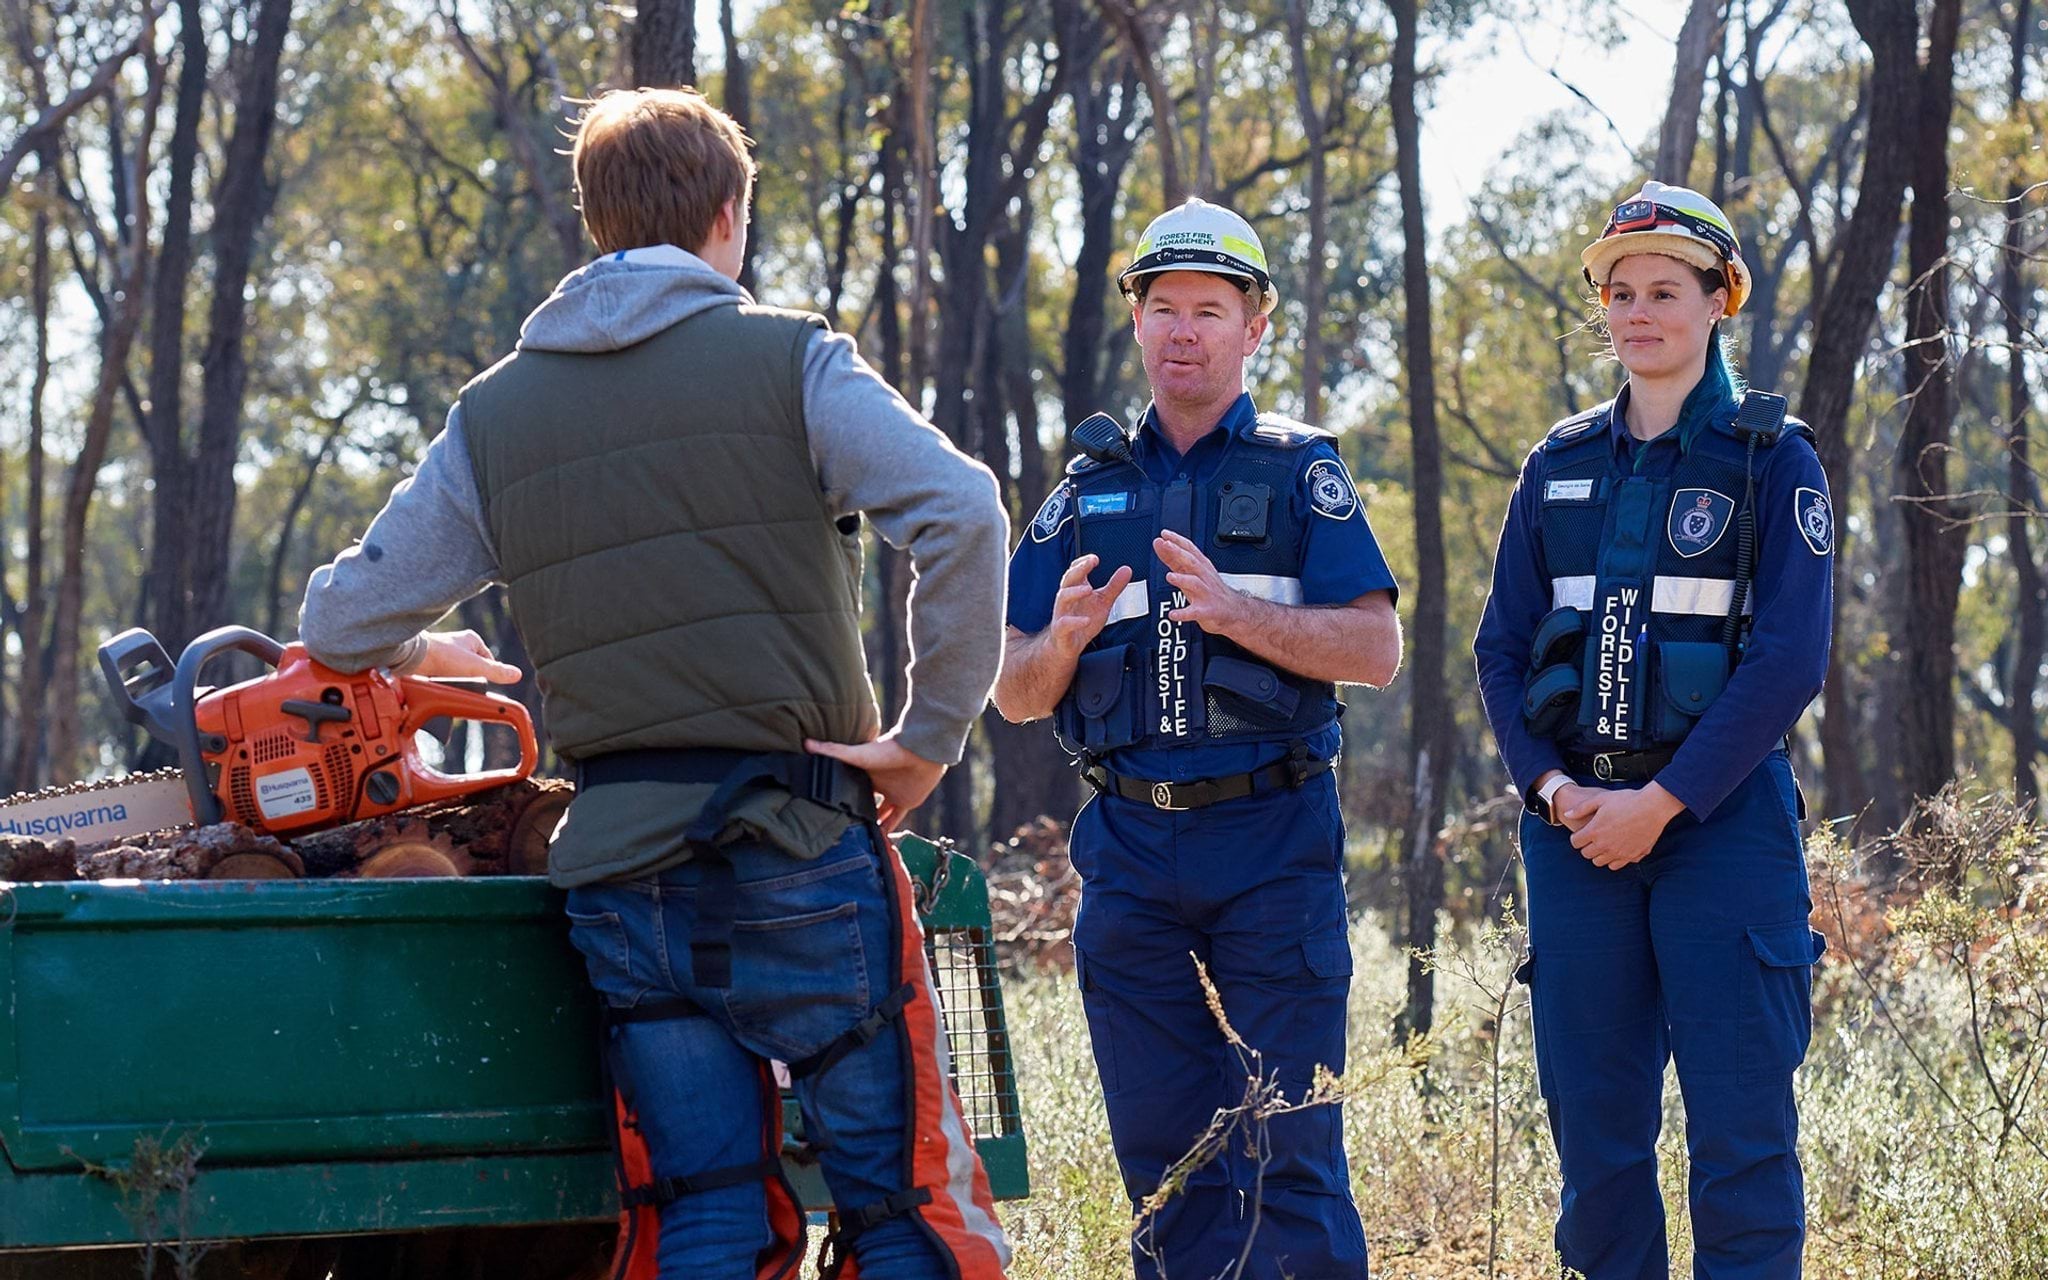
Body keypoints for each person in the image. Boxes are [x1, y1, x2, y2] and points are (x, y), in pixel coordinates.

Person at [298, 87, 1012, 1280]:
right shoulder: (793, 360)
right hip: (799, 845)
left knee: (710, 1217)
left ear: (594, 221)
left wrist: (423, 651)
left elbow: (340, 620)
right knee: (893, 1214)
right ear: (728, 218)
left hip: (624, 881)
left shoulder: (496, 413)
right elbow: (962, 510)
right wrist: (926, 733)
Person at [993, 197, 1401, 1279]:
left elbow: (1375, 646)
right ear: (1135, 320)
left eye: (1208, 309)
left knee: (1289, 1148)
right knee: (1163, 1166)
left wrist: (1242, 616)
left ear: (1252, 325)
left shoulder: (1299, 469)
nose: (1183, 330)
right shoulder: (1083, 493)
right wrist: (1060, 644)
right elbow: (1013, 690)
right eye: (1162, 306)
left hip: (1272, 838)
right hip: (1128, 852)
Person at [1473, 180, 1834, 1279]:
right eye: (1617, 291)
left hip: (1722, 834)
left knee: (1738, 1136)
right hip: (1576, 836)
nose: (1636, 311)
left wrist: (1661, 803)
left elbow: (1786, 660)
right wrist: (1552, 792)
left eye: (1663, 290)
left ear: (1718, 299)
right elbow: (1497, 649)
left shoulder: (1771, 461)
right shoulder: (1556, 464)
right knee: (1596, 1142)